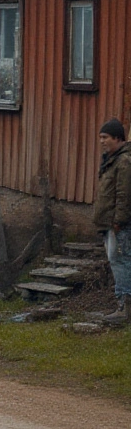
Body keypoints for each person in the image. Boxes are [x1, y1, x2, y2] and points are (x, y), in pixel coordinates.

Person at [93, 118, 131, 324]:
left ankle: (125, 308)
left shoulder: (124, 162)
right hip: (110, 223)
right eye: (100, 137)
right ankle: (123, 305)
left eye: (105, 137)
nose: (101, 141)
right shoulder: (112, 160)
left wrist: (119, 222)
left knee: (121, 261)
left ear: (118, 138)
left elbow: (124, 195)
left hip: (119, 224)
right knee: (118, 260)